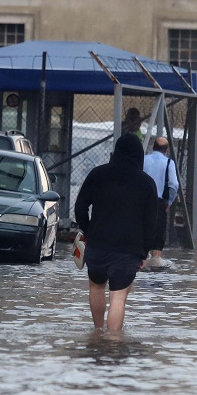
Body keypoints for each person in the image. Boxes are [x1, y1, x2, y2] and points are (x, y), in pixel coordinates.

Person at [74, 132, 158, 331]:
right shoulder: (147, 183)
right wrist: (144, 251)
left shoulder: (97, 174)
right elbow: (151, 223)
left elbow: (80, 208)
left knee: (96, 287)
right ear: (139, 155)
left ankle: (97, 333)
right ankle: (113, 342)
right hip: (128, 250)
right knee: (118, 297)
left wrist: (90, 231)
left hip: (98, 245)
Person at [142, 136, 179, 268]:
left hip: (142, 202)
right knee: (158, 236)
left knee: (142, 232)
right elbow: (174, 184)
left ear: (153, 147)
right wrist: (169, 201)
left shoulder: (143, 160)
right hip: (159, 203)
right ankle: (155, 263)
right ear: (166, 150)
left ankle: (141, 260)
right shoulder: (169, 163)